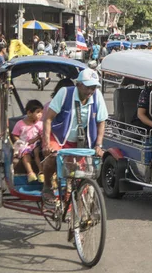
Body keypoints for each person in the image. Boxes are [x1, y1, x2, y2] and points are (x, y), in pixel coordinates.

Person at [41, 68, 108, 203]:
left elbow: (101, 121)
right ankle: (47, 187)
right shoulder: (65, 93)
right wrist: (47, 144)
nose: (90, 91)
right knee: (52, 158)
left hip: (81, 141)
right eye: (88, 87)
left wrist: (99, 145)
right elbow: (48, 119)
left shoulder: (97, 96)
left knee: (81, 171)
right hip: (59, 138)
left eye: (93, 87)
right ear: (78, 84)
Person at [11, 100, 44, 183]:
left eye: (41, 112)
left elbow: (42, 135)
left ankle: (41, 172)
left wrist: (36, 139)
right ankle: (30, 173)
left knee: (37, 154)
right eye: (38, 112)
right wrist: (19, 141)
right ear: (29, 113)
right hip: (24, 145)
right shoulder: (20, 124)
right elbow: (14, 135)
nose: (40, 114)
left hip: (36, 144)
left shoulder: (40, 124)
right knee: (26, 155)